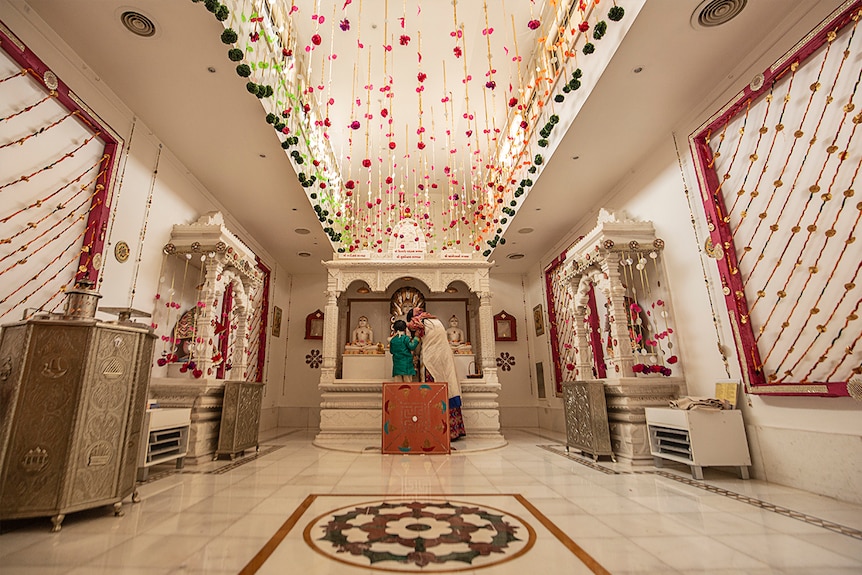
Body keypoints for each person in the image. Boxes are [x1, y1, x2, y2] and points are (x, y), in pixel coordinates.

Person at [407, 307, 466, 440]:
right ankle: (454, 430)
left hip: (431, 359)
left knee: (432, 393)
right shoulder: (436, 320)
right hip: (445, 357)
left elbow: (415, 345)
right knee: (448, 387)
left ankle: (436, 429)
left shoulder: (417, 322)